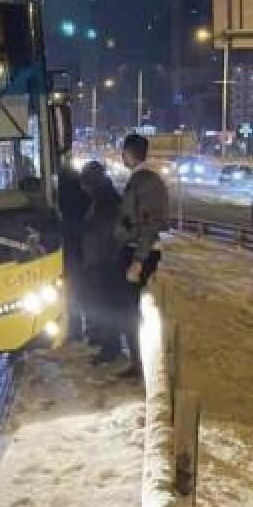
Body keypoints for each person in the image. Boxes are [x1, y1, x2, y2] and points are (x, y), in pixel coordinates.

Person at [113, 133, 170, 379]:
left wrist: (137, 261)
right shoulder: (141, 178)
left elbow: (151, 223)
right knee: (128, 308)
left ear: (129, 153)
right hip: (134, 249)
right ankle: (137, 361)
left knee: (131, 309)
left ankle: (140, 364)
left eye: (123, 152)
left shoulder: (146, 181)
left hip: (139, 252)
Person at [79, 161, 122, 359]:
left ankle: (111, 347)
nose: (84, 188)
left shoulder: (106, 200)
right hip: (101, 259)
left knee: (107, 304)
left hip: (105, 260)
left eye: (86, 183)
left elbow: (103, 230)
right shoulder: (103, 196)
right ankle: (107, 342)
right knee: (103, 302)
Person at [57, 165, 91, 341]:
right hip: (84, 251)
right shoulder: (85, 197)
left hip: (68, 252)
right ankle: (87, 329)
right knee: (84, 291)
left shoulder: (60, 198)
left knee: (72, 293)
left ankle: (75, 330)